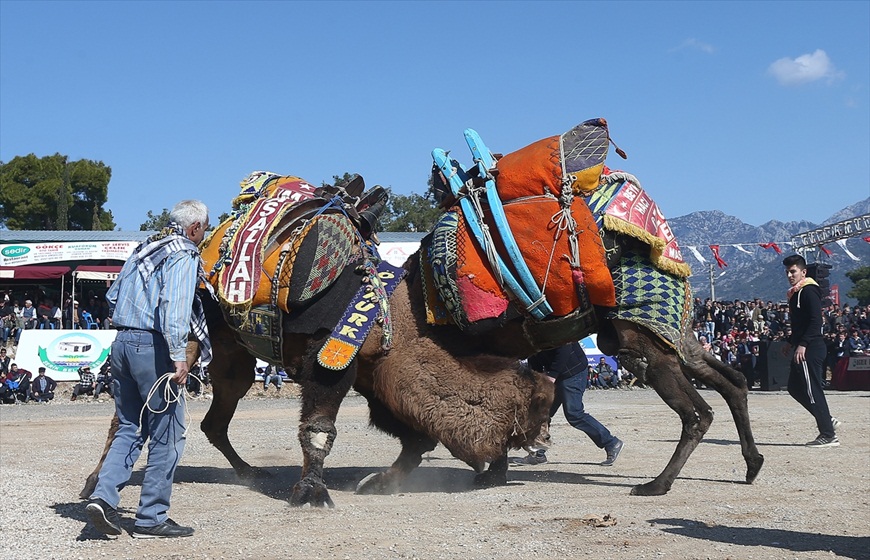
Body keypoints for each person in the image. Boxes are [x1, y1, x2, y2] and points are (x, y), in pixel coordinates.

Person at [85, 199, 211, 539]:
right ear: (195, 227)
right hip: (151, 347)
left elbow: (112, 296)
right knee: (167, 433)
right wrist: (178, 356)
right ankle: (151, 517)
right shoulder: (183, 253)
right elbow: (175, 305)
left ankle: (103, 497)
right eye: (205, 228)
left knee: (129, 426)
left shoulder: (145, 247)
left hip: (122, 342)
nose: (204, 234)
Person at [512, 342, 624, 466]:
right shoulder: (527, 333)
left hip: (573, 372)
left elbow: (564, 349)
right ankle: (538, 454)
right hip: (554, 374)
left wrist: (552, 375)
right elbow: (534, 356)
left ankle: (611, 443)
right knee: (542, 414)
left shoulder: (550, 327)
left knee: (574, 413)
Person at [782, 255, 840, 448]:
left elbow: (816, 321)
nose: (790, 275)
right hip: (802, 345)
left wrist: (803, 344)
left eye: (793, 271)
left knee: (812, 390)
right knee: (794, 387)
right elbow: (802, 323)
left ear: (803, 272)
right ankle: (826, 418)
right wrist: (791, 341)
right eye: (788, 272)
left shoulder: (808, 291)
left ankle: (828, 434)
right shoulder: (795, 293)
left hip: (811, 347)